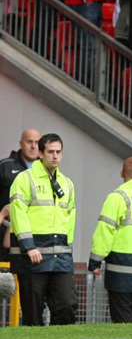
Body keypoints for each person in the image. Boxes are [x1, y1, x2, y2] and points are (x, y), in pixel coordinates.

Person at [9, 133, 77, 326]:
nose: (55, 156)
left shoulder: (67, 184)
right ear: (40, 153)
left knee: (67, 305)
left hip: (60, 256)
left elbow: (70, 219)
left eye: (58, 152)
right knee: (33, 313)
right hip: (32, 256)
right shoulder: (24, 179)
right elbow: (18, 213)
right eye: (50, 152)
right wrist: (29, 246)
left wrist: (67, 248)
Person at [88, 157, 132, 323]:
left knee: (122, 322)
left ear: (122, 173)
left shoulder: (117, 197)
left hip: (120, 271)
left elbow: (105, 231)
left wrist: (95, 262)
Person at [0, 129, 42, 261]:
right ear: (21, 144)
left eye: (37, 142)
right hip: (5, 232)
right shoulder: (5, 166)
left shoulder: (48, 169)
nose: (33, 146)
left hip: (37, 234)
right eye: (30, 142)